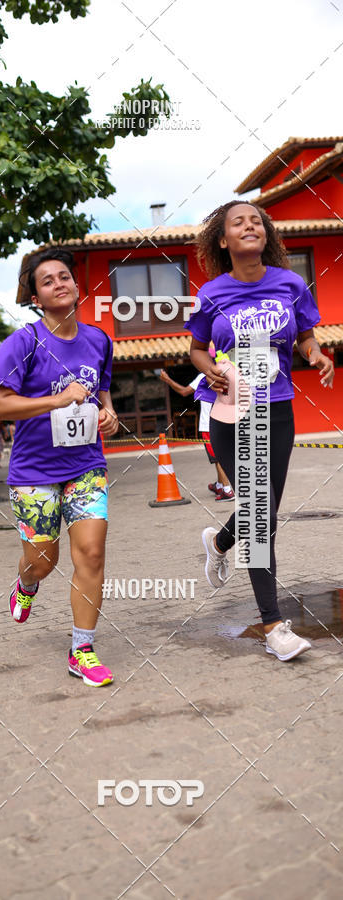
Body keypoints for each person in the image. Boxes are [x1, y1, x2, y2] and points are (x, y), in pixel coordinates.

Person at [187, 200, 334, 662]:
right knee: (257, 517)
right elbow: (195, 349)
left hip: (278, 409)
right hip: (231, 412)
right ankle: (273, 625)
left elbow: (305, 334)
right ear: (224, 240)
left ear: (266, 235)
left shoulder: (290, 284)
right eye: (238, 223)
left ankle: (219, 541)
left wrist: (315, 354)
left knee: (263, 512)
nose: (250, 226)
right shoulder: (212, 293)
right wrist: (209, 369)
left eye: (257, 221)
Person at [0, 247, 119, 687]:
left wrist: (109, 415)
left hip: (85, 466)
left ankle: (81, 649)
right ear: (35, 298)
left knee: (92, 553)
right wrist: (55, 400)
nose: (60, 283)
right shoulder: (21, 344)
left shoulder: (99, 341)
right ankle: (26, 584)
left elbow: (102, 396)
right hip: (33, 473)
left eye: (65, 276)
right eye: (48, 281)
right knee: (43, 561)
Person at [158, 366, 234, 501]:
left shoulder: (203, 376)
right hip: (224, 419)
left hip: (209, 423)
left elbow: (183, 391)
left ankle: (227, 490)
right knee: (217, 455)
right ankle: (220, 485)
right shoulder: (228, 375)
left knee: (217, 457)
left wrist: (167, 380)